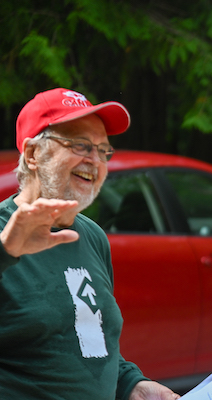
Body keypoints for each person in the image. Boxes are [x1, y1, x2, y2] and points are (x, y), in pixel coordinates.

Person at [0, 88, 180, 400]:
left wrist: (131, 384)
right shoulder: (4, 232)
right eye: (81, 145)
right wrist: (5, 252)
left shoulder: (93, 236)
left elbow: (93, 342)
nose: (95, 161)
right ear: (32, 155)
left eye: (103, 150)